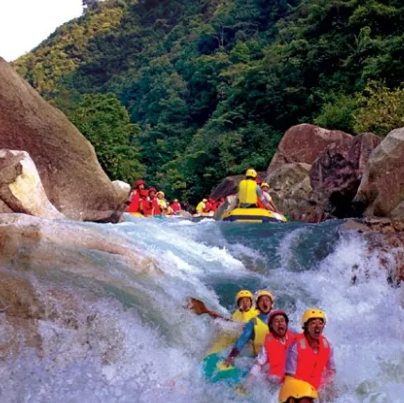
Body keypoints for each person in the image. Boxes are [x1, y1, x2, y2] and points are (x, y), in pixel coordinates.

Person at [241, 310, 295, 388]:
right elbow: (258, 364)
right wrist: (247, 384)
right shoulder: (268, 343)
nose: (280, 323)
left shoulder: (294, 338)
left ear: (286, 324)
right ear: (271, 326)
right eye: (276, 321)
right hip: (274, 381)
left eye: (282, 320)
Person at [285, 309, 335, 391]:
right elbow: (289, 377)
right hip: (300, 389)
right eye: (313, 323)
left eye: (320, 323)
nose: (317, 326)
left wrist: (326, 386)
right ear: (305, 327)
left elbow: (331, 370)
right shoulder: (295, 348)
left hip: (319, 388)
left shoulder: (328, 345)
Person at [224, 290, 274, 366]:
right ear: (257, 305)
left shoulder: (278, 318)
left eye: (267, 300)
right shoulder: (254, 321)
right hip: (260, 359)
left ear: (271, 304)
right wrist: (232, 356)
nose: (265, 302)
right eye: (261, 301)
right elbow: (243, 338)